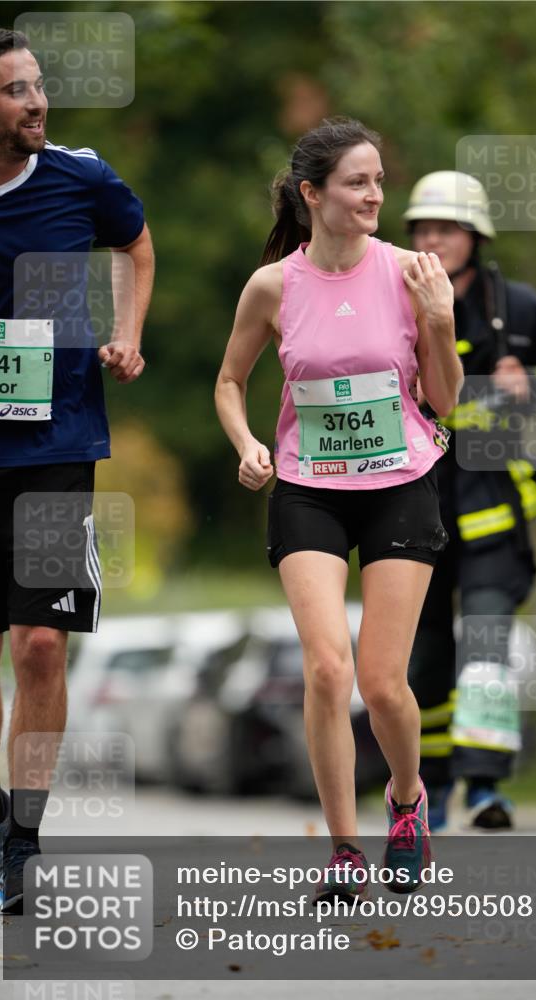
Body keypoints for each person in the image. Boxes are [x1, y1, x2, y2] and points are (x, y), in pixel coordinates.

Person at [215, 118, 462, 901]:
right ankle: (344, 851)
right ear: (312, 194)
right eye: (357, 182)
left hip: (399, 483)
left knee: (383, 684)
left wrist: (441, 320)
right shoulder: (272, 286)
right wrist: (248, 442)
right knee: (327, 669)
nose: (374, 195)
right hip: (309, 487)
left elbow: (448, 400)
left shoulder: (410, 272)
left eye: (379, 181)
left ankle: (404, 799)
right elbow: (228, 382)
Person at [0, 28, 154, 912]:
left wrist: (126, 331)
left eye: (37, 84)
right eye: (15, 90)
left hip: (55, 447)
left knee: (40, 644)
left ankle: (22, 840)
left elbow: (137, 245)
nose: (37, 101)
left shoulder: (80, 177)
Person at [403, 171, 536, 831]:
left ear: (473, 237)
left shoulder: (519, 307)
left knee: (484, 644)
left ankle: (485, 790)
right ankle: (428, 787)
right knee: (423, 659)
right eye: (423, 229)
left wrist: (531, 385)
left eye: (446, 228)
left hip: (493, 517)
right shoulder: (390, 299)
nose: (433, 239)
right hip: (411, 510)